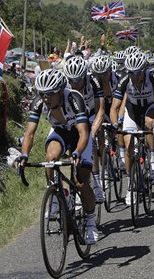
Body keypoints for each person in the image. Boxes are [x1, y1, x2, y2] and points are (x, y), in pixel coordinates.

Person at [17, 69, 99, 244]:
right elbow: (30, 133)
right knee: (50, 159)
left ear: (60, 91)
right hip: (60, 132)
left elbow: (84, 133)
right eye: (42, 94)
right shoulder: (39, 102)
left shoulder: (74, 98)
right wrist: (24, 155)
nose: (46, 98)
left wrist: (77, 153)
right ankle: (56, 195)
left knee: (81, 181)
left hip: (79, 136)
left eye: (50, 94)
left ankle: (91, 221)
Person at [110, 52, 154, 205]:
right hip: (132, 111)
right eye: (131, 73)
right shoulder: (124, 80)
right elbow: (114, 108)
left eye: (138, 73)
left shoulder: (153, 78)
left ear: (144, 70)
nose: (135, 76)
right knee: (128, 145)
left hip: (149, 108)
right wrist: (115, 124)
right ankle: (130, 186)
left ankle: (153, 160)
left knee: (148, 123)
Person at [64, 55, 106, 204]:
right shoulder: (65, 84)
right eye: (71, 80)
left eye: (78, 80)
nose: (75, 84)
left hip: (91, 113)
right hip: (75, 117)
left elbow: (101, 110)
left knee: (92, 142)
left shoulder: (94, 80)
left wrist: (93, 133)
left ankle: (96, 182)